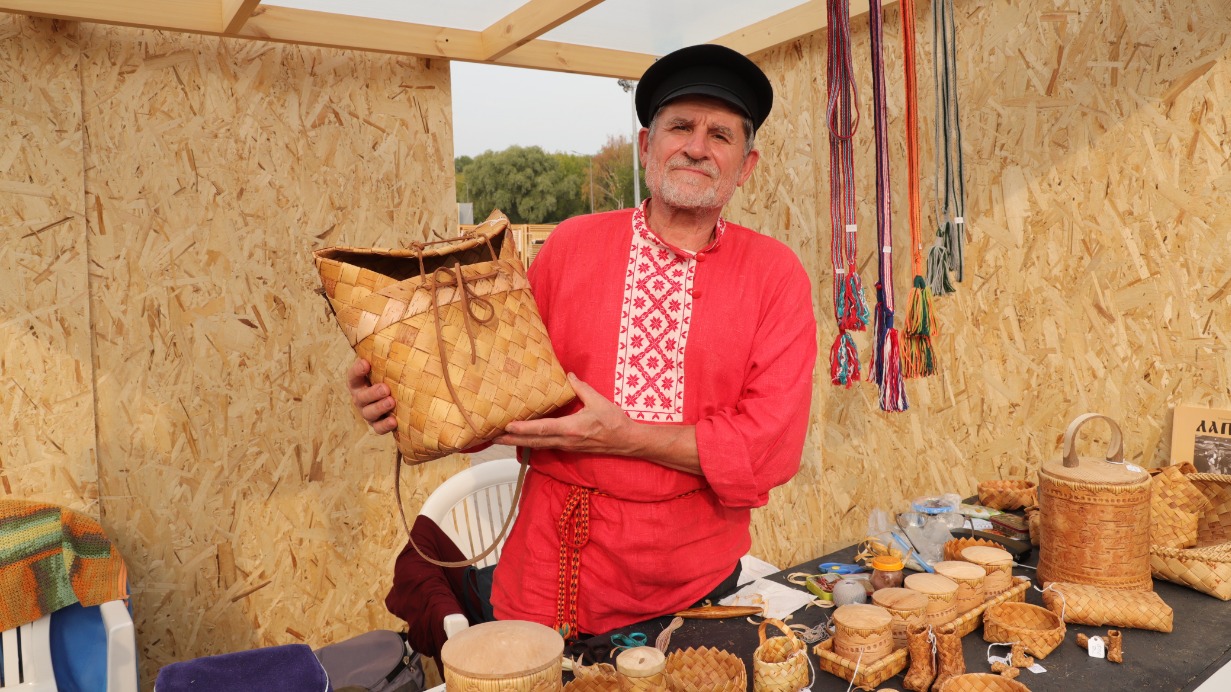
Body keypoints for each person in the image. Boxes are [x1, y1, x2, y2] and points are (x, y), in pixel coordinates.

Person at [349, 44, 818, 637]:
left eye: (720, 135)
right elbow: (499, 386)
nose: (697, 146)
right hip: (553, 571)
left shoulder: (775, 275)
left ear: (746, 165)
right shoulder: (570, 245)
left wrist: (626, 438)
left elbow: (768, 448)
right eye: (680, 126)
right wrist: (405, 394)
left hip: (694, 583)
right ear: (647, 144)